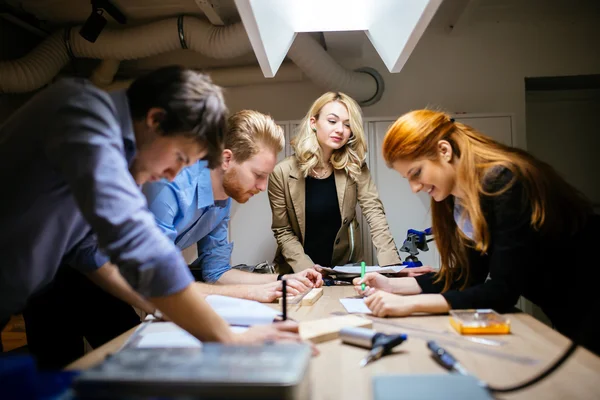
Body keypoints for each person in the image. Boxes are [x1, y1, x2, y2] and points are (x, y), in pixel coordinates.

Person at [0, 65, 304, 358]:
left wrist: (160, 306)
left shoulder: (109, 153)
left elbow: (90, 252)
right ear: (155, 120)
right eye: (180, 157)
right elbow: (142, 248)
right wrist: (230, 340)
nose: (173, 175)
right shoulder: (81, 115)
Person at [354, 109, 600, 355]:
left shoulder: (506, 180)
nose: (414, 188)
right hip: (564, 304)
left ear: (444, 151)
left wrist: (408, 305)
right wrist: (392, 286)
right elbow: (467, 277)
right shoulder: (457, 199)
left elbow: (502, 292)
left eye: (416, 173)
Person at [142, 110, 323, 303]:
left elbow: (217, 273)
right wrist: (250, 293)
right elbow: (157, 280)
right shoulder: (170, 185)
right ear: (227, 159)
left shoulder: (222, 199)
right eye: (258, 175)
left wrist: (282, 280)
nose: (263, 187)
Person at [268, 92, 427, 276]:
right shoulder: (281, 173)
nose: (340, 130)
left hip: (344, 270)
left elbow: (374, 212)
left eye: (347, 124)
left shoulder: (355, 165)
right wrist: (307, 269)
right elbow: (283, 230)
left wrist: (393, 267)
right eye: (332, 121)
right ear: (313, 123)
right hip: (298, 272)